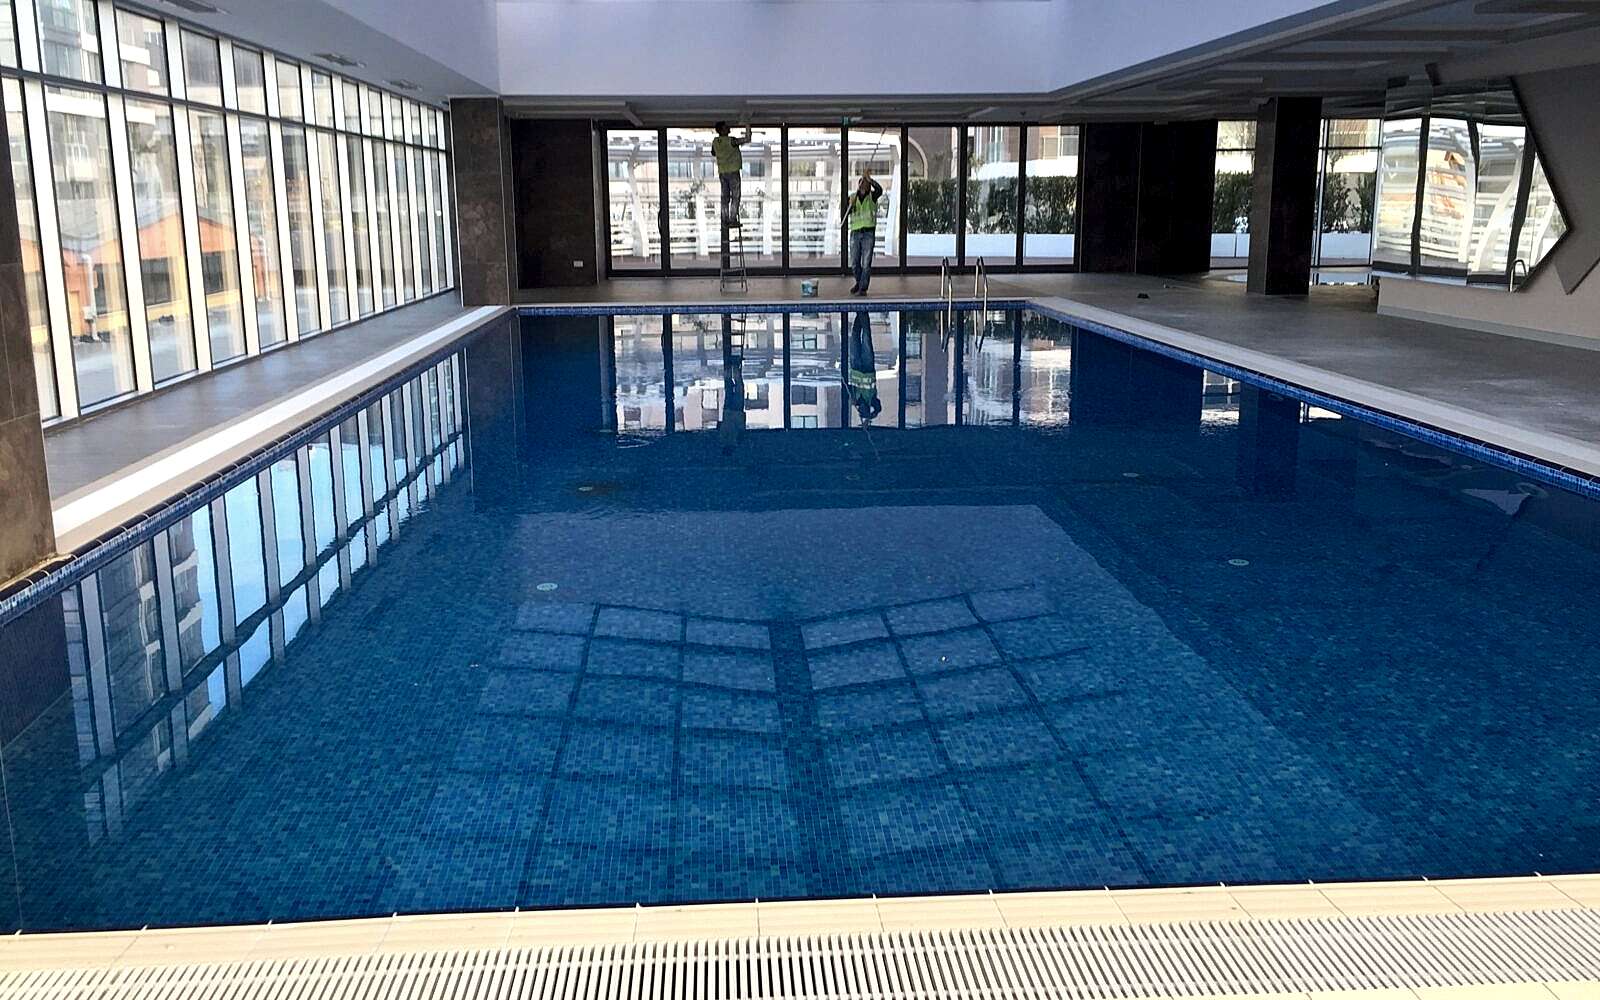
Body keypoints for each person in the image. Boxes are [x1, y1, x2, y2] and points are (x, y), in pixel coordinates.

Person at [845, 172, 884, 295]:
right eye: (862, 182)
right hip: (855, 233)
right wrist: (850, 205)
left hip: (868, 233)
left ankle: (863, 288)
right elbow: (845, 212)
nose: (864, 185)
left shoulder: (872, 196)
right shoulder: (852, 197)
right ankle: (859, 282)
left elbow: (880, 190)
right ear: (859, 185)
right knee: (854, 263)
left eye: (866, 183)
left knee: (866, 263)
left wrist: (870, 179)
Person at [711, 122, 751, 226]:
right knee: (735, 196)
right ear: (721, 130)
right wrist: (747, 124)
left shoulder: (715, 142)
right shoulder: (731, 141)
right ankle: (732, 219)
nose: (728, 127)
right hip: (733, 171)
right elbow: (747, 139)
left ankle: (725, 219)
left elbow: (713, 153)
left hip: (722, 172)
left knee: (725, 198)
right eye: (726, 127)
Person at [847, 310, 882, 424]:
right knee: (866, 336)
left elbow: (847, 386)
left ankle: (859, 312)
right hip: (868, 367)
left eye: (860, 410)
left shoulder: (855, 399)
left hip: (855, 366)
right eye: (864, 410)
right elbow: (878, 408)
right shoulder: (872, 401)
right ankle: (863, 312)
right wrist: (871, 415)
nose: (861, 408)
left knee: (854, 336)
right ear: (867, 408)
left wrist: (851, 398)